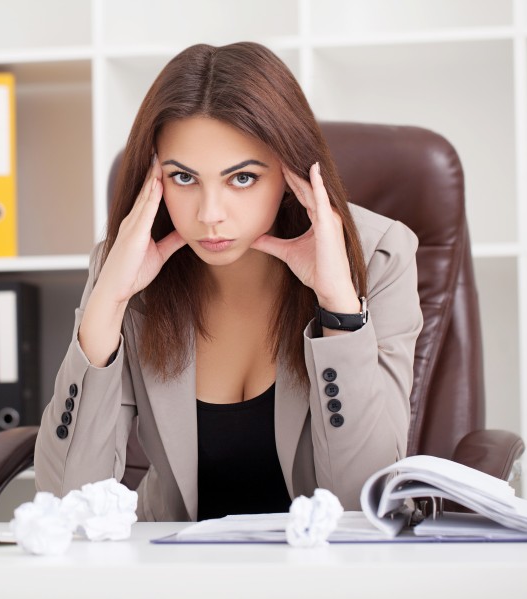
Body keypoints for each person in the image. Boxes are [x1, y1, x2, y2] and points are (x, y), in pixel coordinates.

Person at [34, 42, 423, 521]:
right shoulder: (129, 268)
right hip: (178, 574)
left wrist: (338, 306)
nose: (209, 215)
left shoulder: (378, 254)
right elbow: (65, 504)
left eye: (242, 178)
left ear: (289, 170)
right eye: (183, 178)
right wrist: (108, 303)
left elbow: (367, 503)